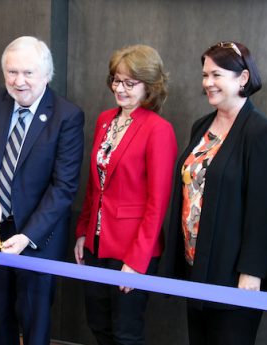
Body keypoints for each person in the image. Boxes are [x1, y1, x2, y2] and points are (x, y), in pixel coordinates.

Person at [159, 41, 267, 345]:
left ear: (242, 78)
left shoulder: (261, 133)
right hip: (198, 266)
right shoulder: (201, 126)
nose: (207, 83)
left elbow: (264, 212)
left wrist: (251, 272)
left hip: (235, 276)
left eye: (216, 75)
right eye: (204, 75)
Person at [0, 36, 85, 345]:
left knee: (34, 321)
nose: (18, 81)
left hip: (38, 238)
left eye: (28, 72)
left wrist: (29, 235)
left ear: (46, 74)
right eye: (11, 72)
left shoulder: (67, 116)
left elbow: (63, 186)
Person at [73, 44, 176, 345]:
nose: (120, 88)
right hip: (96, 244)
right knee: (98, 325)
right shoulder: (105, 120)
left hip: (132, 251)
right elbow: (95, 184)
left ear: (150, 87)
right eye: (117, 80)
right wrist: (83, 231)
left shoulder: (159, 130)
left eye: (130, 83)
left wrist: (137, 260)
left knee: (125, 333)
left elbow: (158, 204)